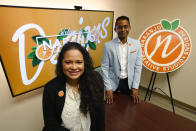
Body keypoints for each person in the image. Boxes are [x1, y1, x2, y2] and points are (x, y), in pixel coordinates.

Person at [42, 42, 105, 131]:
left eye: (79, 62)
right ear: (61, 63)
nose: (74, 67)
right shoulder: (51, 88)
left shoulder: (96, 79)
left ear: (85, 63)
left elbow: (100, 115)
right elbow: (51, 124)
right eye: (68, 62)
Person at [101, 16, 142, 104]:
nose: (123, 29)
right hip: (113, 83)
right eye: (119, 27)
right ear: (115, 29)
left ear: (129, 27)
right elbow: (104, 68)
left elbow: (138, 67)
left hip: (129, 83)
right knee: (111, 108)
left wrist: (135, 87)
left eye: (125, 26)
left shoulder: (136, 44)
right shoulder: (108, 46)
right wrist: (108, 88)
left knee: (129, 108)